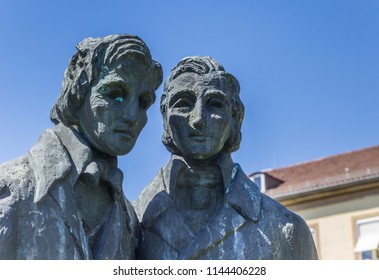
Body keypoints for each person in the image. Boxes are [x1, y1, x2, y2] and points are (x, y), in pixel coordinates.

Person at [135, 56, 318, 259]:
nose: (198, 119)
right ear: (165, 118)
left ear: (235, 119)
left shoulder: (285, 228)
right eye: (183, 104)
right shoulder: (131, 220)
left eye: (214, 104)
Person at [0, 34, 162, 259]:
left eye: (143, 102)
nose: (133, 115)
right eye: (115, 94)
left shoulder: (130, 220)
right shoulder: (10, 188)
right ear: (79, 91)